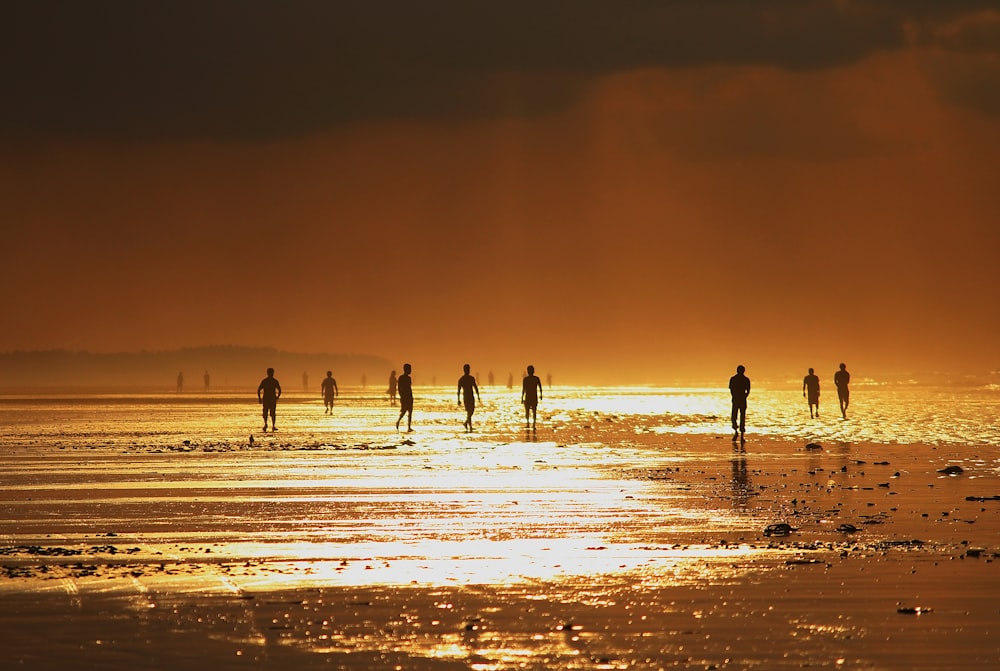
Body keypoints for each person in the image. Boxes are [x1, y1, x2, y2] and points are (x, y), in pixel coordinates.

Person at [457, 364, 481, 431]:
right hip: (466, 397)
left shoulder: (471, 378)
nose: (468, 370)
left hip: (471, 396)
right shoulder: (461, 379)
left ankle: (466, 423)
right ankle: (470, 426)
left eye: (469, 369)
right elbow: (458, 390)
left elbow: (475, 387)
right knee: (469, 411)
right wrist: (458, 400)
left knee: (471, 411)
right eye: (467, 369)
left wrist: (478, 395)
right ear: (464, 370)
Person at [729, 365, 750, 439]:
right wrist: (744, 396)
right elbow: (748, 391)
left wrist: (735, 396)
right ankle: (739, 433)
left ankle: (738, 432)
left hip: (737, 399)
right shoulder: (745, 379)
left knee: (735, 416)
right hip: (740, 399)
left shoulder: (734, 379)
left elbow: (731, 390)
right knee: (741, 416)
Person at [257, 367, 282, 432]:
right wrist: (277, 397)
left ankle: (269, 425)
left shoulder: (266, 381)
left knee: (268, 412)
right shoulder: (273, 381)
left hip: (268, 399)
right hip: (270, 399)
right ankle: (269, 425)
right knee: (270, 412)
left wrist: (260, 398)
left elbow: (259, 389)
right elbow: (279, 390)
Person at [395, 363, 413, 431]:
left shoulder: (409, 378)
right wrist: (402, 396)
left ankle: (409, 427)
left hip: (409, 396)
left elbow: (409, 388)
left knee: (410, 412)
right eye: (409, 369)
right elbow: (400, 388)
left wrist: (411, 397)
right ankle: (398, 422)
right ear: (406, 369)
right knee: (404, 411)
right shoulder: (401, 378)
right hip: (405, 397)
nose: (410, 371)